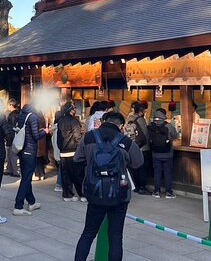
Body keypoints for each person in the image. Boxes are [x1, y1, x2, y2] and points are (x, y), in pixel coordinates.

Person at [74, 112, 143, 261]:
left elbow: (77, 159)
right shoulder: (125, 141)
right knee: (116, 237)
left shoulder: (89, 137)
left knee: (88, 234)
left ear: (103, 121)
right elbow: (138, 163)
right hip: (119, 195)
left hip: (95, 192)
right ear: (121, 126)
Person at [13, 104, 47, 216]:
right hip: (30, 150)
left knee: (26, 176)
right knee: (26, 179)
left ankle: (31, 202)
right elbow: (36, 136)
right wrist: (45, 131)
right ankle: (18, 205)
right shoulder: (33, 117)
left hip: (22, 150)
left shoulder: (22, 115)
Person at [57, 102, 85, 202]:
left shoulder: (60, 121)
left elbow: (58, 137)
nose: (75, 110)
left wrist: (60, 148)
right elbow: (78, 136)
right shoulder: (74, 121)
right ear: (71, 110)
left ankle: (67, 195)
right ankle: (82, 194)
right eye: (74, 108)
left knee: (65, 174)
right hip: (73, 151)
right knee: (78, 174)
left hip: (63, 151)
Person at [149, 108, 179, 199]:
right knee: (168, 172)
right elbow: (175, 135)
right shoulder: (168, 126)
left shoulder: (150, 125)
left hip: (155, 153)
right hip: (167, 154)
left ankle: (156, 191)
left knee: (157, 172)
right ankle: (168, 192)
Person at [129, 102, 152, 195]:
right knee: (142, 168)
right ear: (141, 112)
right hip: (142, 147)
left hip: (133, 146)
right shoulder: (140, 119)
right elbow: (145, 134)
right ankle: (142, 187)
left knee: (135, 167)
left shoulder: (130, 118)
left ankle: (136, 186)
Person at [4, 98, 21, 177]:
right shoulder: (18, 113)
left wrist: (8, 138)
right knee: (12, 154)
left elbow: (10, 128)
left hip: (12, 136)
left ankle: (13, 171)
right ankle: (11, 169)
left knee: (12, 154)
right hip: (16, 135)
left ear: (11, 105)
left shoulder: (11, 115)